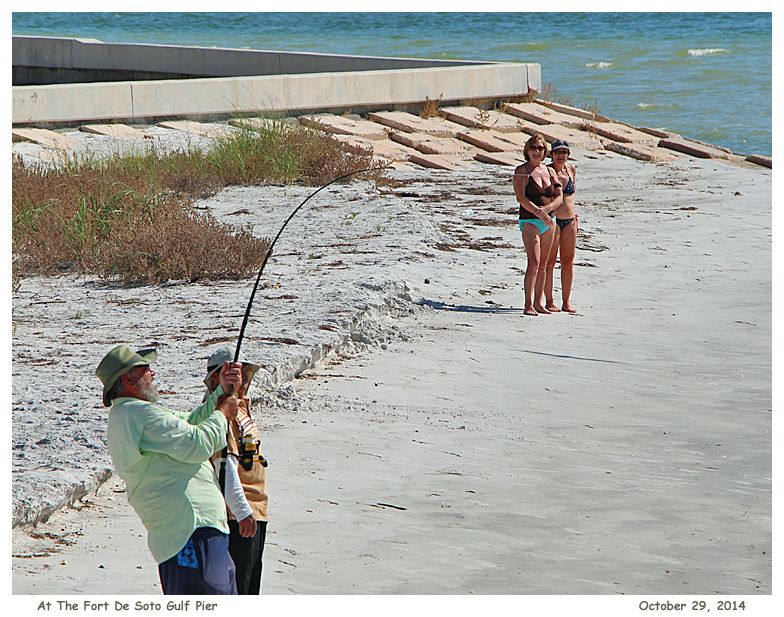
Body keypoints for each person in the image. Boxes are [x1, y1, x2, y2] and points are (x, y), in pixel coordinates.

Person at [96, 344, 243, 595]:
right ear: (127, 379)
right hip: (190, 530)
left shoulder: (134, 413)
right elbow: (196, 443)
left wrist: (222, 391)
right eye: (145, 368)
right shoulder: (137, 413)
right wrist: (222, 414)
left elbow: (191, 423)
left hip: (194, 530)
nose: (152, 373)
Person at [204, 347, 269, 595]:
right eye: (237, 373)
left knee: (250, 586)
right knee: (238, 589)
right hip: (239, 517)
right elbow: (225, 466)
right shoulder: (222, 411)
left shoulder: (240, 408)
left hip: (255, 510)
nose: (243, 379)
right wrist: (243, 512)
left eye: (244, 373)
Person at [513, 133, 563, 316]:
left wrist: (548, 209)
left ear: (545, 151)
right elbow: (521, 197)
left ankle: (538, 302)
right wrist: (539, 213)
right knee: (533, 262)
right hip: (530, 221)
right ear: (527, 150)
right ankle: (528, 304)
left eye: (540, 148)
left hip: (549, 221)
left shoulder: (550, 171)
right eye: (533, 147)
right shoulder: (522, 170)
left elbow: (559, 197)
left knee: (544, 264)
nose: (536, 151)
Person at [545, 140, 579, 313]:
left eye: (564, 152)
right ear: (551, 154)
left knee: (568, 261)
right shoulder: (547, 171)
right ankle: (549, 301)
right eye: (557, 152)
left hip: (570, 220)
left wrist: (576, 216)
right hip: (553, 221)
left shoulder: (571, 170)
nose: (561, 156)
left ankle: (566, 302)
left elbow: (572, 196)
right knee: (549, 262)